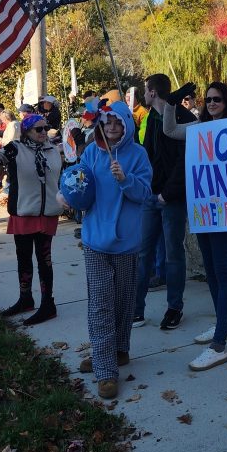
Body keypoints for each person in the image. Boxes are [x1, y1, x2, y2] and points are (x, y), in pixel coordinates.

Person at [157, 81, 227, 371]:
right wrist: (172, 103)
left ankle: (219, 345)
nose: (212, 103)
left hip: (223, 212)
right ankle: (222, 323)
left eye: (218, 99)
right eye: (208, 99)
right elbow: (169, 130)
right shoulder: (199, 129)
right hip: (202, 210)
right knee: (212, 271)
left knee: (224, 273)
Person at [76, 102, 153, 399]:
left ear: (126, 126)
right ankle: (105, 369)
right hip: (95, 239)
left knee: (123, 301)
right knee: (101, 304)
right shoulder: (92, 152)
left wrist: (126, 180)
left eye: (117, 123)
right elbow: (78, 185)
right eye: (107, 122)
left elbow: (145, 193)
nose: (111, 128)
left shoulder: (138, 155)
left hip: (125, 242)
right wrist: (69, 191)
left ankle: (118, 351)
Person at [0, 114, 65, 326]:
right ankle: (26, 298)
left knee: (44, 261)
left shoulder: (53, 150)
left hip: (47, 213)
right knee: (24, 258)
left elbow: (62, 177)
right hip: (23, 212)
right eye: (38, 129)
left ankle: (48, 304)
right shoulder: (15, 148)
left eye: (45, 128)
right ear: (26, 131)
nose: (43, 133)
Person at [133, 74, 195, 330]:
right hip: (150, 195)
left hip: (172, 198)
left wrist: (167, 194)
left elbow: (185, 161)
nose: (144, 95)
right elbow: (147, 156)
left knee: (173, 253)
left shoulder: (184, 118)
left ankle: (174, 307)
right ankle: (136, 308)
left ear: (152, 92)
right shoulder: (149, 117)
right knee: (143, 252)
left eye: (146, 91)